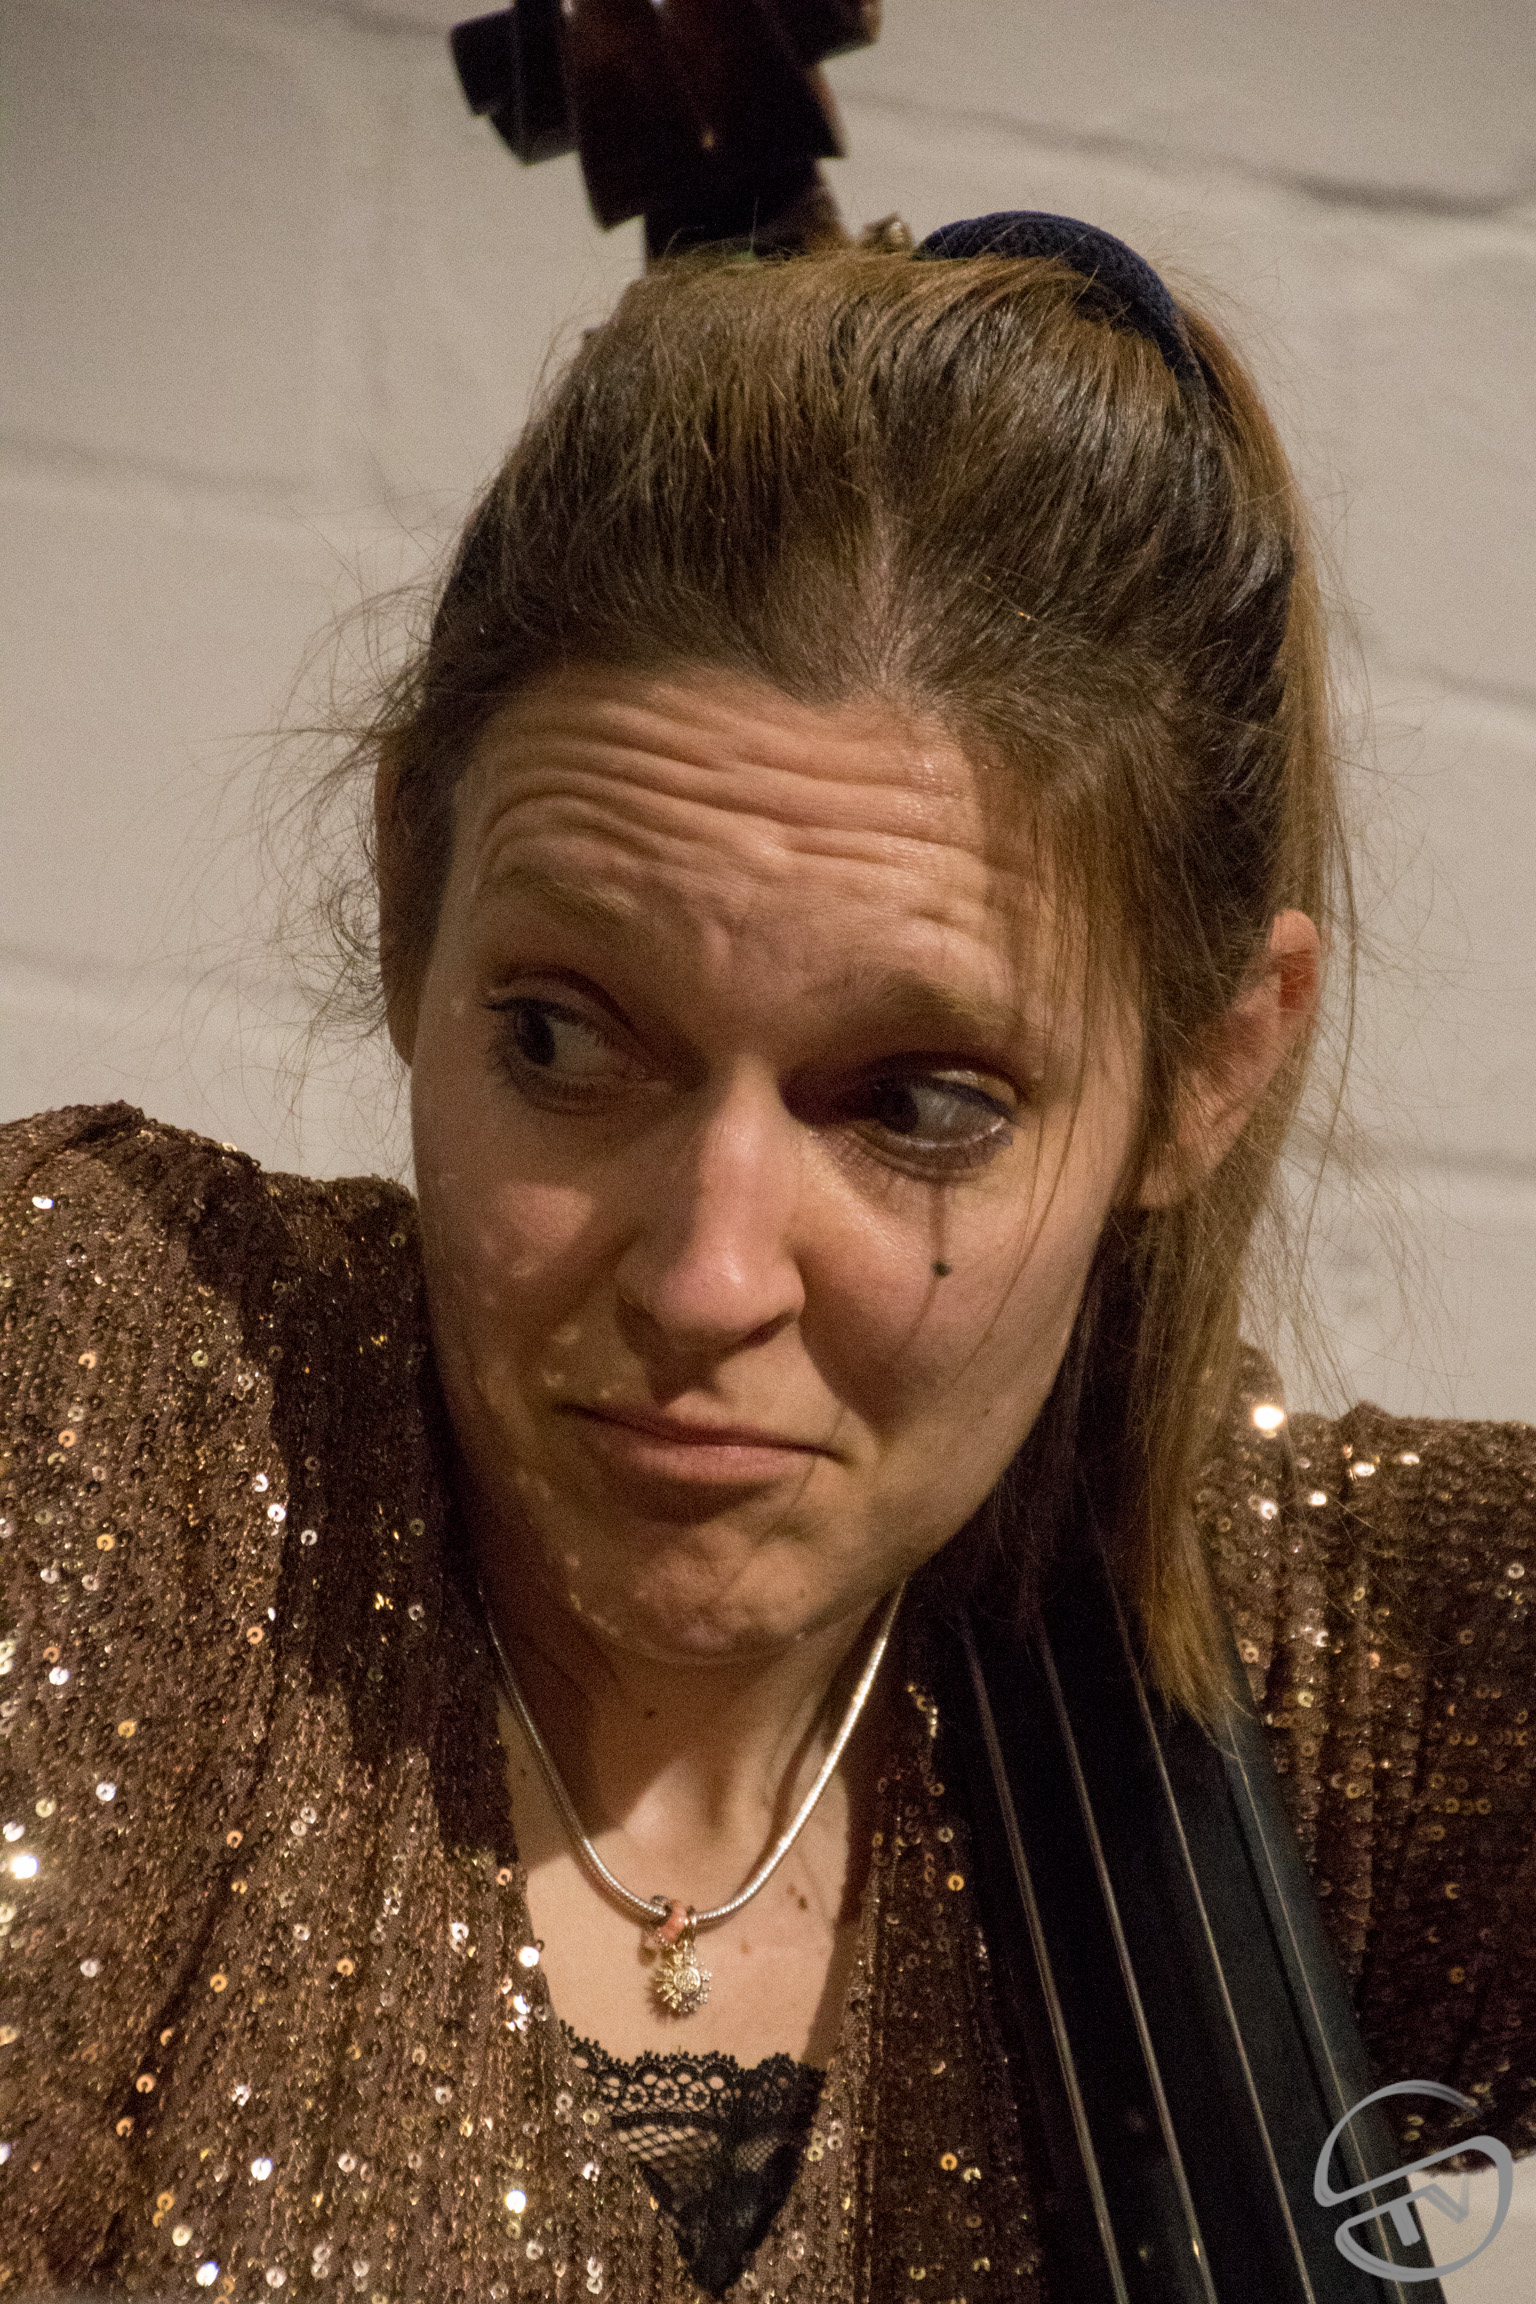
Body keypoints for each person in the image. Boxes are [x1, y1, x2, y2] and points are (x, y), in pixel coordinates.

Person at [2, 219, 1533, 2304]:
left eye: (921, 1102)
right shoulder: (121, 1410)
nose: (708, 1281)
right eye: (563, 1039)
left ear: (1209, 1071)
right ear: (408, 892)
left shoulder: (1317, 1661)